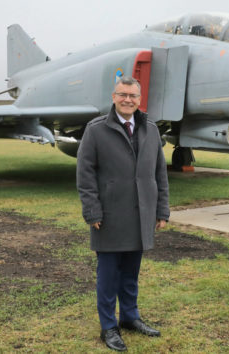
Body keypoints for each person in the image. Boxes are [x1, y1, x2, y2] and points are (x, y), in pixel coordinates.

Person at [76, 76, 169, 351]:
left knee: (131, 272)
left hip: (141, 215)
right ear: (113, 97)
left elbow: (159, 173)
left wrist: (162, 209)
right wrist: (92, 211)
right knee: (108, 275)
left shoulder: (150, 129)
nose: (128, 100)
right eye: (122, 95)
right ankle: (108, 326)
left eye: (133, 95)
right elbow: (85, 174)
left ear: (139, 99)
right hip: (109, 216)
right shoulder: (96, 130)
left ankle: (130, 317)